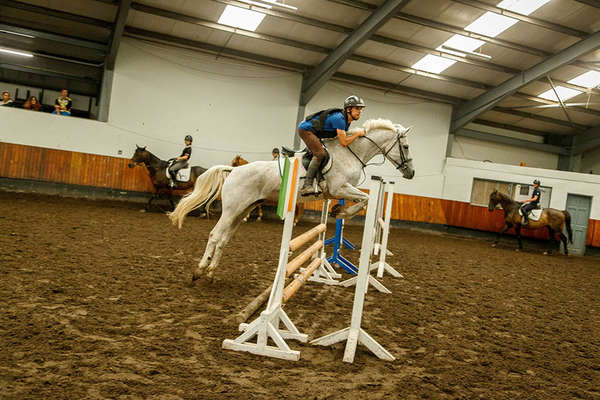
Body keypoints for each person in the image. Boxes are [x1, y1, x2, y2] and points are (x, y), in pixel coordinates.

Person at [297, 95, 366, 196]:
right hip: (306, 130)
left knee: (326, 153)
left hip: (315, 132)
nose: (360, 111)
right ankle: (307, 186)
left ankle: (320, 179)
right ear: (348, 109)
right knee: (320, 154)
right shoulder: (340, 119)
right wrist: (357, 134)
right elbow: (344, 142)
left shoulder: (347, 120)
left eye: (361, 109)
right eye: (357, 108)